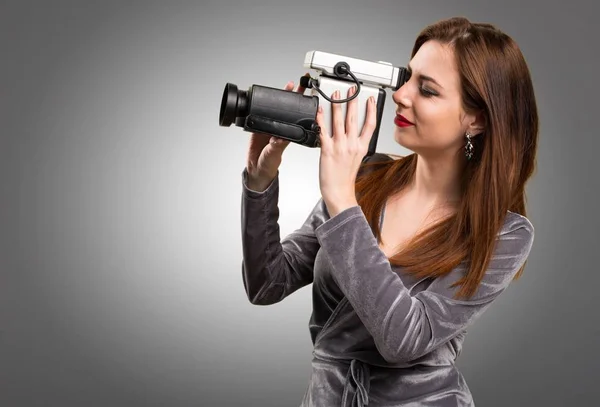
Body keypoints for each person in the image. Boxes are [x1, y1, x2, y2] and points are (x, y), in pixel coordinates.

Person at [240, 16, 537, 407]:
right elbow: (267, 284)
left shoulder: (504, 234)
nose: (400, 94)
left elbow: (405, 339)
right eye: (407, 77)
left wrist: (342, 200)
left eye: (427, 91)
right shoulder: (367, 176)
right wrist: (259, 183)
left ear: (476, 119)